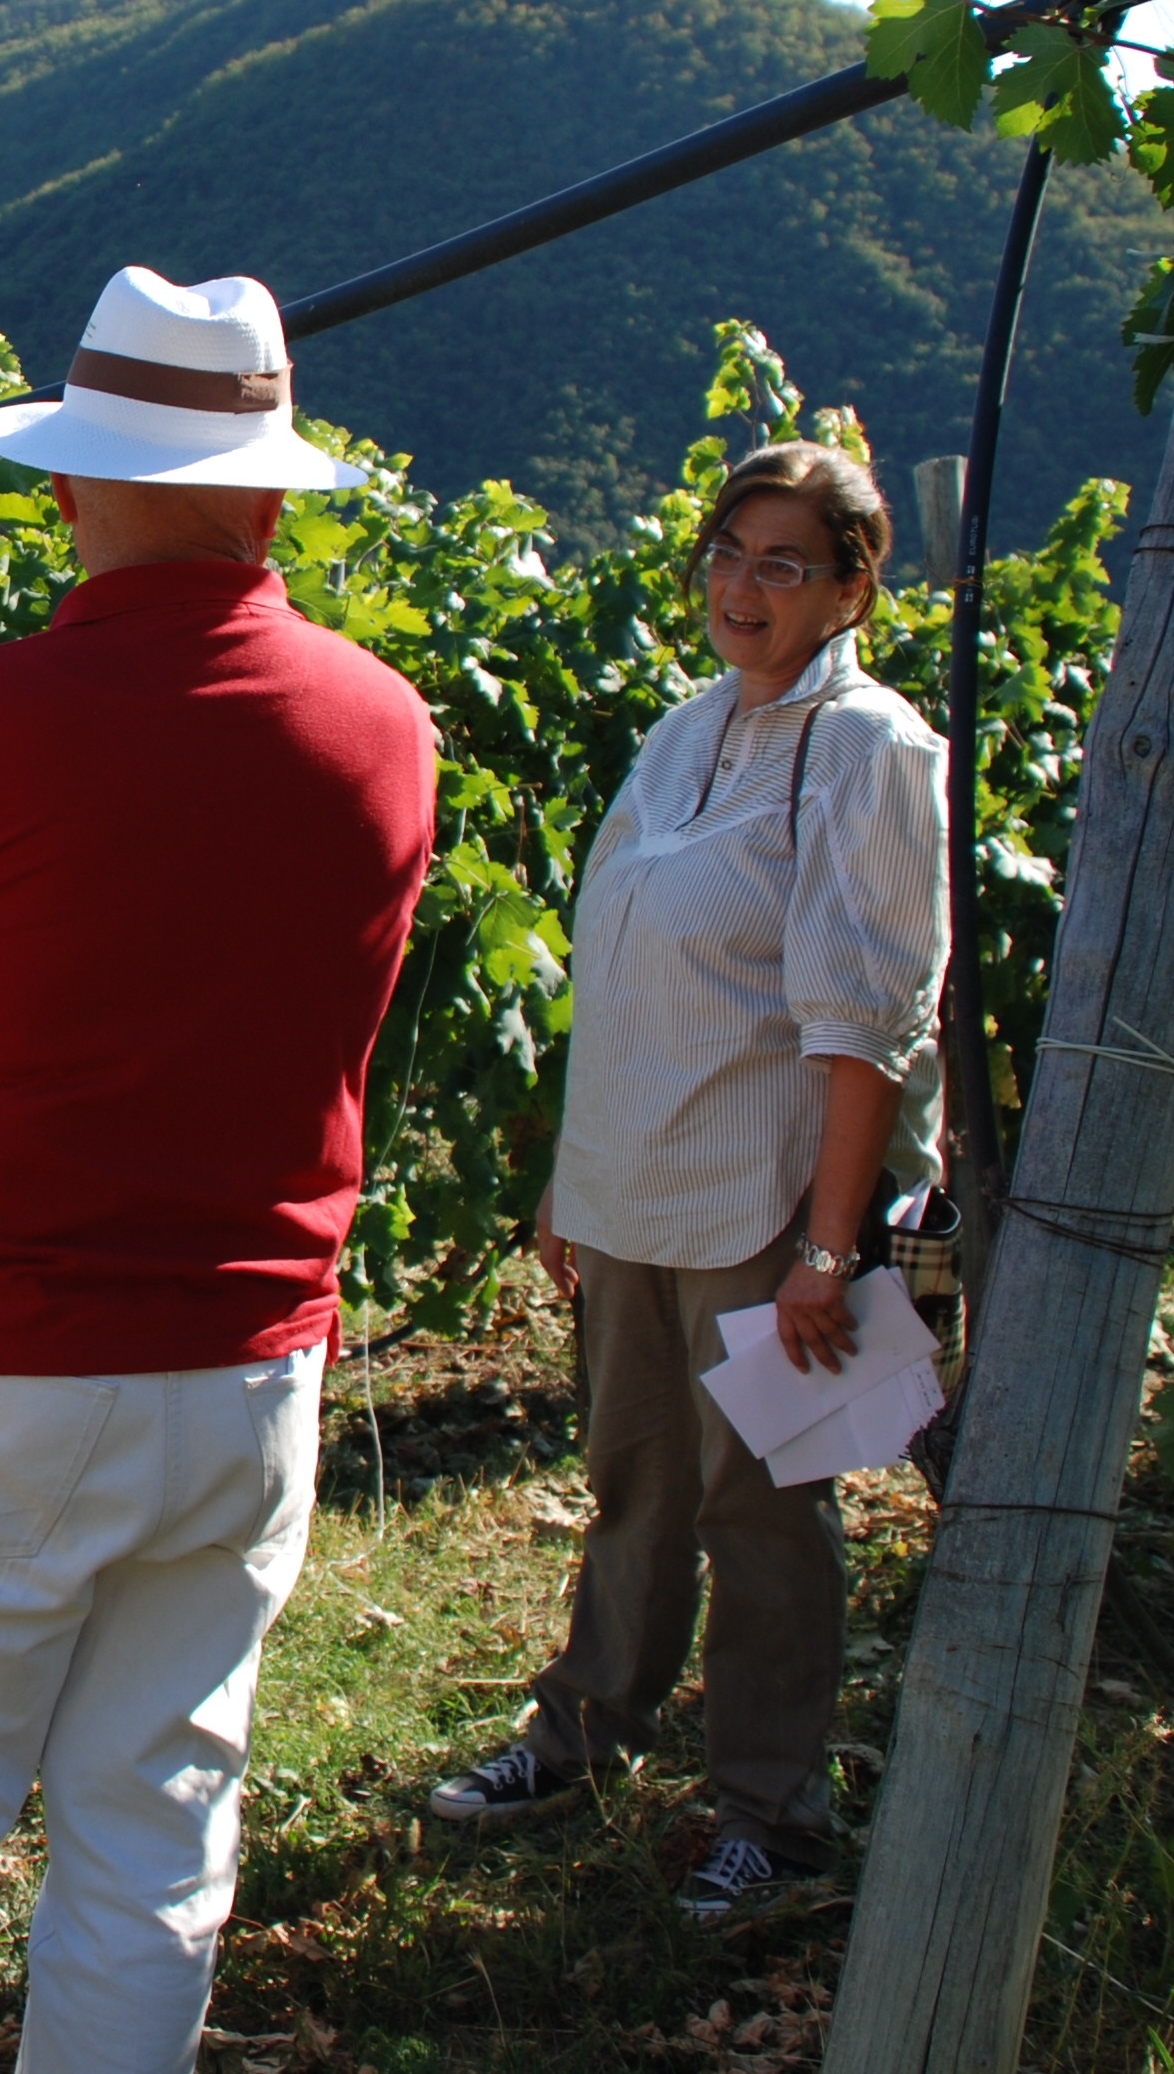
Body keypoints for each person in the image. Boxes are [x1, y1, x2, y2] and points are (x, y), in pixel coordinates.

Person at [0, 267, 438, 2074]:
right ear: (270, 487)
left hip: (2, 1352)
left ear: (74, 487)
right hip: (251, 1370)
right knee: (158, 1835)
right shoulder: (384, 724)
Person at [425, 439, 944, 1922]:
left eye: (786, 562)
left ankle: (767, 1811)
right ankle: (586, 1727)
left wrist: (829, 1248)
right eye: (728, 552)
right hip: (638, 1187)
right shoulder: (682, 731)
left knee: (765, 1504)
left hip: (769, 1202)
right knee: (634, 1480)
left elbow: (872, 1023)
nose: (743, 586)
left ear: (853, 588)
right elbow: (633, 972)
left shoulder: (869, 753)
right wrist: (571, 1181)